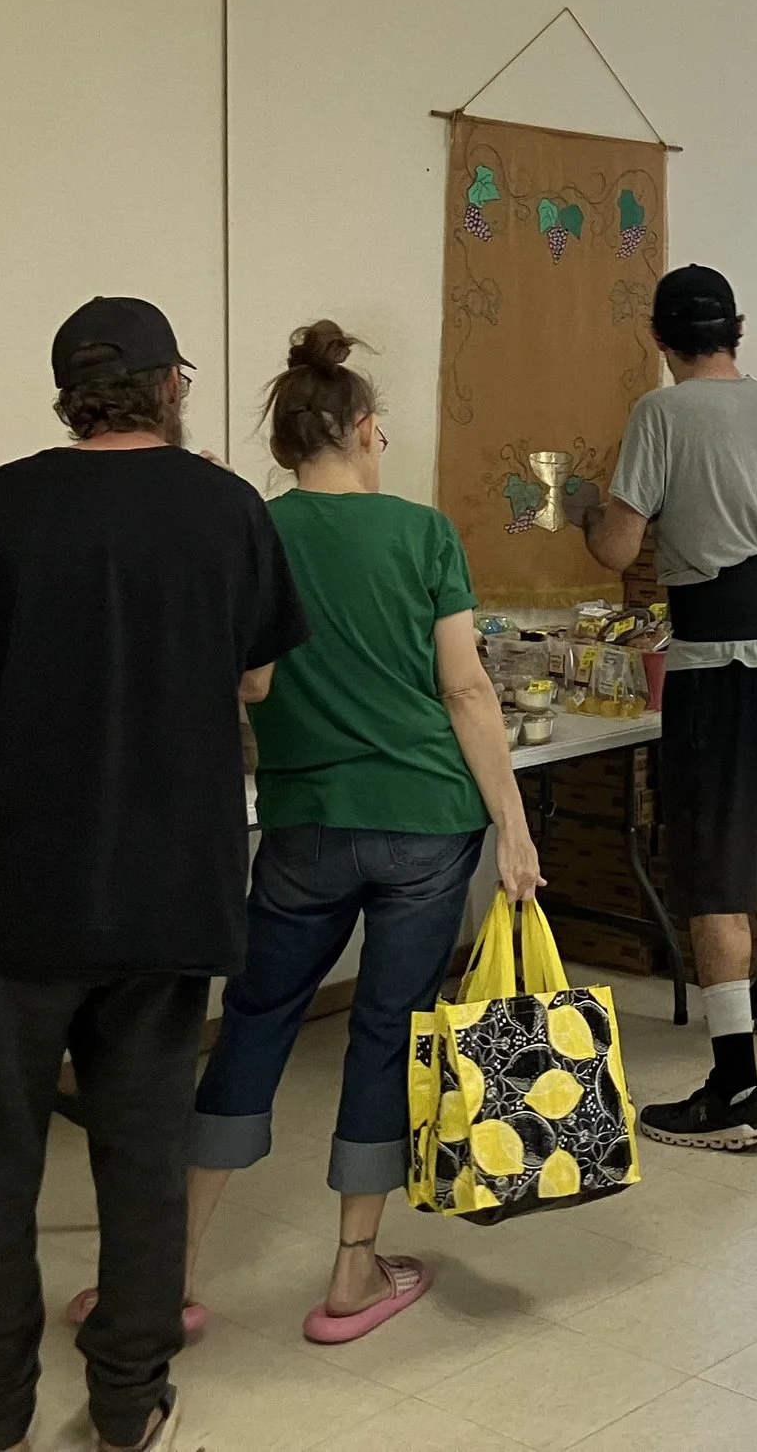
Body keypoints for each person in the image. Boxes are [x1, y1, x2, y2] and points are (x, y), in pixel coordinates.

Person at [0, 296, 307, 1452]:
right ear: (169, 389)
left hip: (8, 894)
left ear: (68, 394)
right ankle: (127, 1397)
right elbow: (256, 681)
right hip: (169, 892)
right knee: (142, 1155)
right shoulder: (227, 511)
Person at [175, 322, 542, 1345]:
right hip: (429, 820)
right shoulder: (421, 534)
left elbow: (243, 678)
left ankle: (171, 1273)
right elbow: (466, 687)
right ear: (366, 431)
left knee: (254, 1019)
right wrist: (512, 829)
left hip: (303, 818)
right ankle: (351, 1273)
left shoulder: (253, 529)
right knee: (388, 1030)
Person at [574, 265, 757, 1149]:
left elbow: (618, 546)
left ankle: (737, 1090)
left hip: (715, 655)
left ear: (661, 338)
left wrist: (581, 512)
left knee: (713, 869)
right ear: (736, 329)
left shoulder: (662, 414)